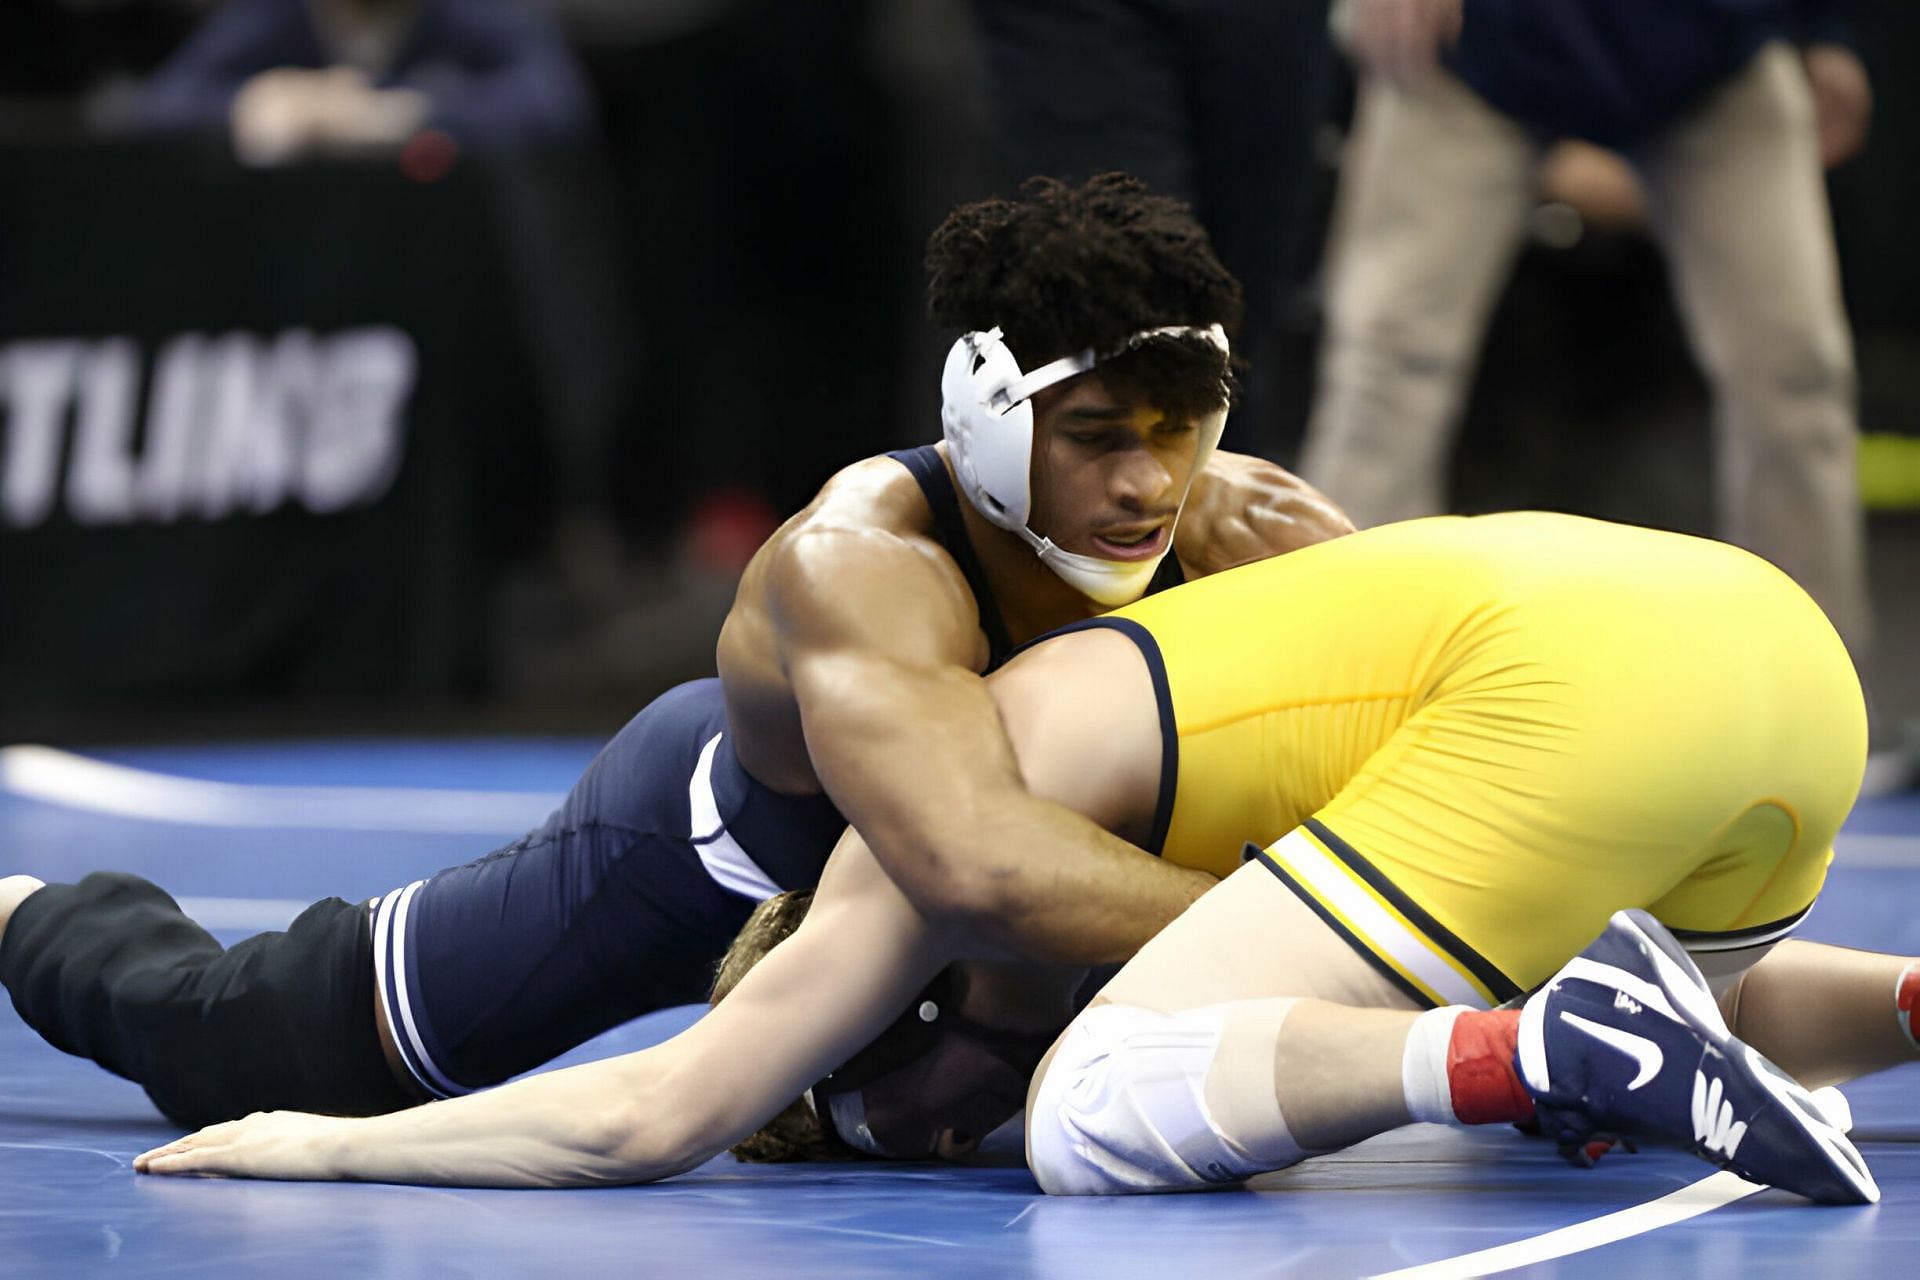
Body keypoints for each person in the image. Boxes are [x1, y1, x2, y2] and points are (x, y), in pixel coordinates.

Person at [0, 174, 1351, 1130]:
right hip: (704, 862)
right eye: (1101, 435)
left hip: (972, 906)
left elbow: (1455, 720)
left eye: (1178, 431)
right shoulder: (863, 563)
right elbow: (976, 865)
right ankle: (28, 914)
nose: (1147, 485)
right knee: (248, 1046)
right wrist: (1355, 935)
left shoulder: (1257, 523)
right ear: (992, 427)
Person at [130, 513, 1912, 1205]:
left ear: (883, 1005)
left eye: (923, 1091)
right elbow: (1717, 992)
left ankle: (1532, 1059)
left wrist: (330, 1144)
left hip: (1595, 678)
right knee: (1696, 1001)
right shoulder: (1141, 702)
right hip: (1769, 654)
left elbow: (643, 1116)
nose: (970, 1102)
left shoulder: (942, 822)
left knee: (1104, 1107)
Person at [1297, 0, 1900, 787]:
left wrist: (1827, 32)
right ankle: (1327, 695)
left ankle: (1818, 706)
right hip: (1476, 49)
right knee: (1386, 368)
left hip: (1708, 49)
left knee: (1795, 374)